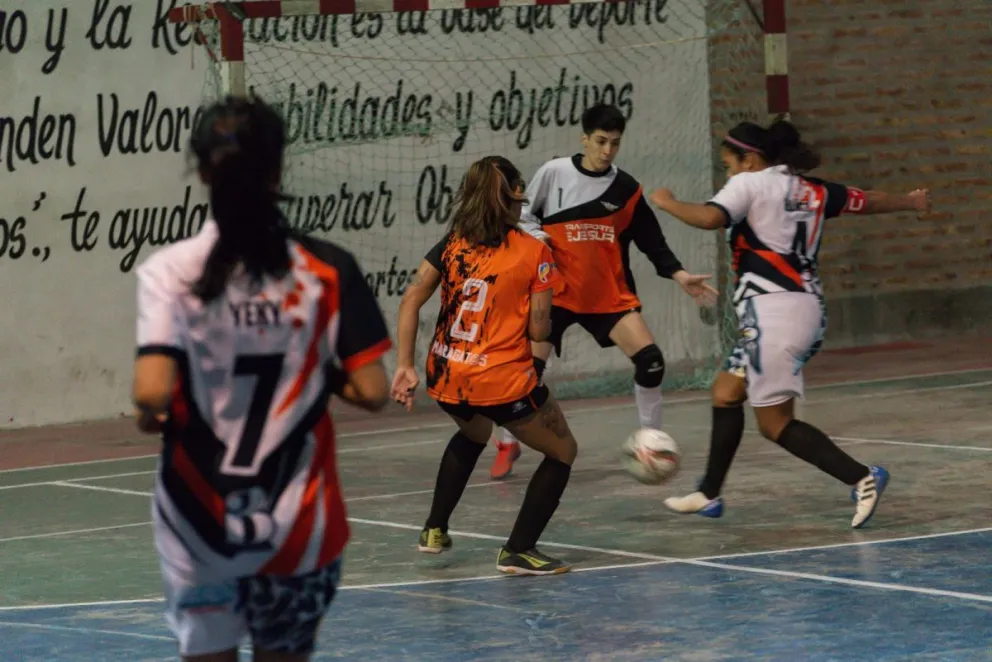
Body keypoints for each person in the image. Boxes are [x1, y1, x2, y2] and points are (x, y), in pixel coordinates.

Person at [131, 96, 392, 662]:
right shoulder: (327, 268)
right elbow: (373, 391)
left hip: (198, 522)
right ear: (279, 169)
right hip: (298, 521)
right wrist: (314, 373)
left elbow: (152, 392)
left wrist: (158, 409)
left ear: (201, 171)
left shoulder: (169, 271)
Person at [651, 119, 931, 528]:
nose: (728, 174)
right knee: (727, 391)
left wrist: (667, 202)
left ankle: (862, 477)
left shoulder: (751, 183)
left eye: (729, 165)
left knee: (774, 423)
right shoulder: (812, 189)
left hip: (772, 313)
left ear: (749, 159)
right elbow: (865, 200)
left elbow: (712, 218)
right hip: (805, 309)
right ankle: (709, 493)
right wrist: (911, 201)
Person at [488, 103, 718, 480]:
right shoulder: (554, 172)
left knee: (651, 361)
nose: (607, 150)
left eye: (615, 143)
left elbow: (650, 238)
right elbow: (523, 215)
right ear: (585, 139)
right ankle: (507, 442)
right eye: (600, 141)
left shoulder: (626, 189)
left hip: (608, 296)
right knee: (524, 372)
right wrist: (537, 237)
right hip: (556, 293)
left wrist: (678, 274)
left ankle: (650, 440)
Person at [391, 155, 577, 576]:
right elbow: (539, 330)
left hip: (447, 373)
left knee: (474, 431)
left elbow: (410, 300)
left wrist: (404, 364)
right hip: (501, 381)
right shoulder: (534, 251)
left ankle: (434, 529)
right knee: (564, 450)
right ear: (514, 196)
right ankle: (519, 550)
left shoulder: (453, 242)